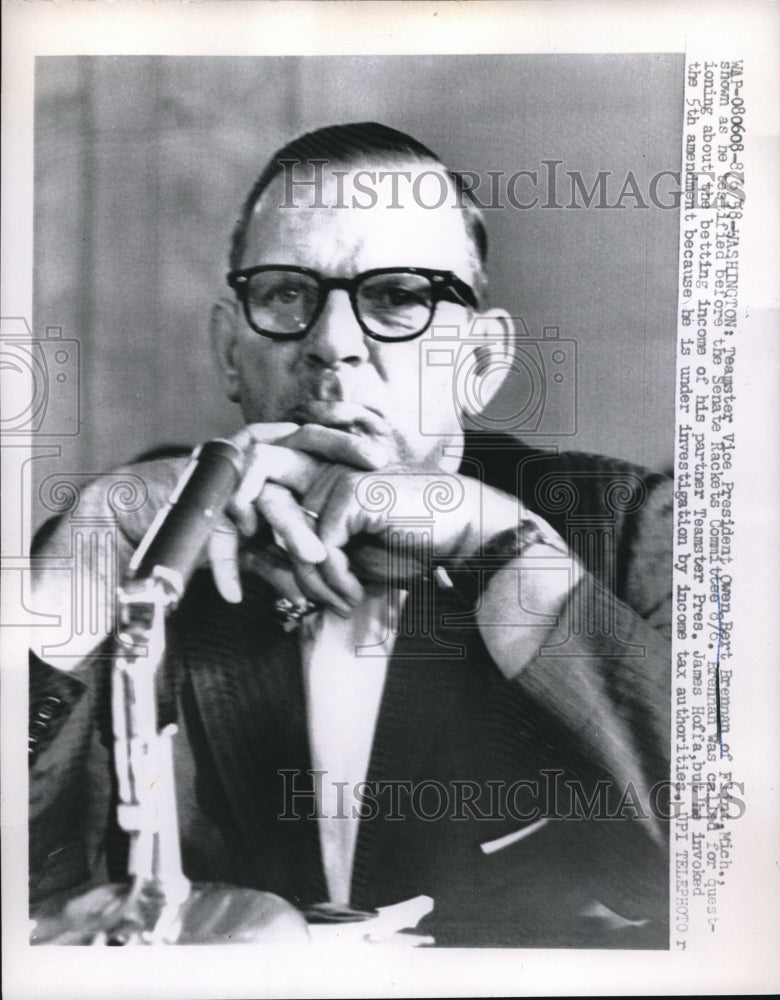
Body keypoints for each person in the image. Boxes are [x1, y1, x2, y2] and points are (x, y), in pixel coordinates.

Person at [29, 122, 672, 948]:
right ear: (230, 350)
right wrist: (82, 559)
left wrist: (500, 551)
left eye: (398, 295)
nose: (331, 345)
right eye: (284, 294)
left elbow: (741, 872)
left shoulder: (625, 527)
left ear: (481, 361)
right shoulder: (140, 538)